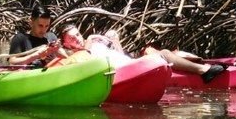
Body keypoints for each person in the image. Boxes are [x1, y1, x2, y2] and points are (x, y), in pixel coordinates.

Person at [88, 28, 227, 83]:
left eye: (77, 34)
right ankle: (203, 71)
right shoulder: (82, 52)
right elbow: (85, 56)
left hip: (130, 65)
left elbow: (120, 55)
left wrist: (115, 41)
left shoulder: (106, 49)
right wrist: (90, 38)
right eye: (72, 37)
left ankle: (199, 66)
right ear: (65, 43)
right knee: (164, 53)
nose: (77, 38)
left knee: (167, 53)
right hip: (124, 72)